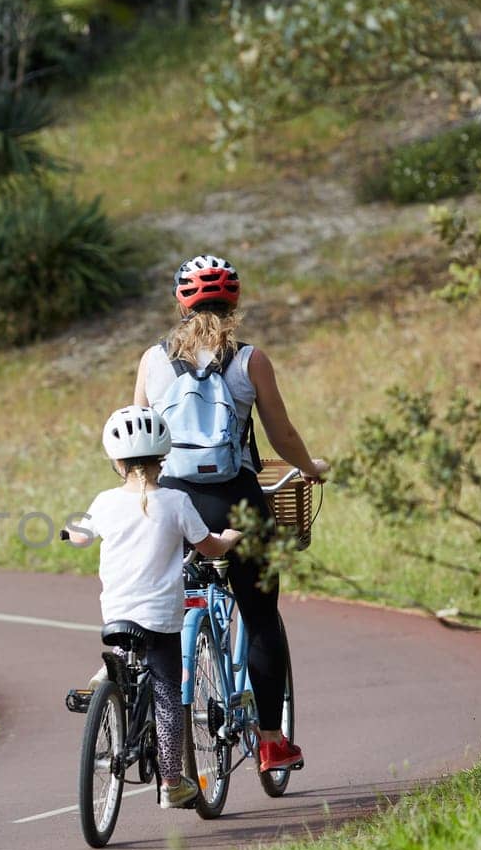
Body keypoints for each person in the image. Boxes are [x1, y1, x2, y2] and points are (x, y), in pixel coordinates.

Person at [133, 254, 327, 772]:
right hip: (236, 499)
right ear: (235, 301)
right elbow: (280, 434)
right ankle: (270, 741)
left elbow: (139, 438)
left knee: (156, 616)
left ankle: (153, 729)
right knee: (261, 615)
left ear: (180, 301)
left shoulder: (152, 361)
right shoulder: (250, 360)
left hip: (172, 500)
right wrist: (310, 467)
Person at [65, 405, 241, 808]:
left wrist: (71, 530)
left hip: (117, 613)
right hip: (161, 617)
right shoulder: (176, 502)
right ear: (164, 457)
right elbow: (207, 547)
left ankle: (109, 680)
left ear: (117, 461)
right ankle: (171, 782)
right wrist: (228, 539)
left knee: (129, 653)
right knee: (166, 692)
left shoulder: (105, 502)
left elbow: (80, 536)